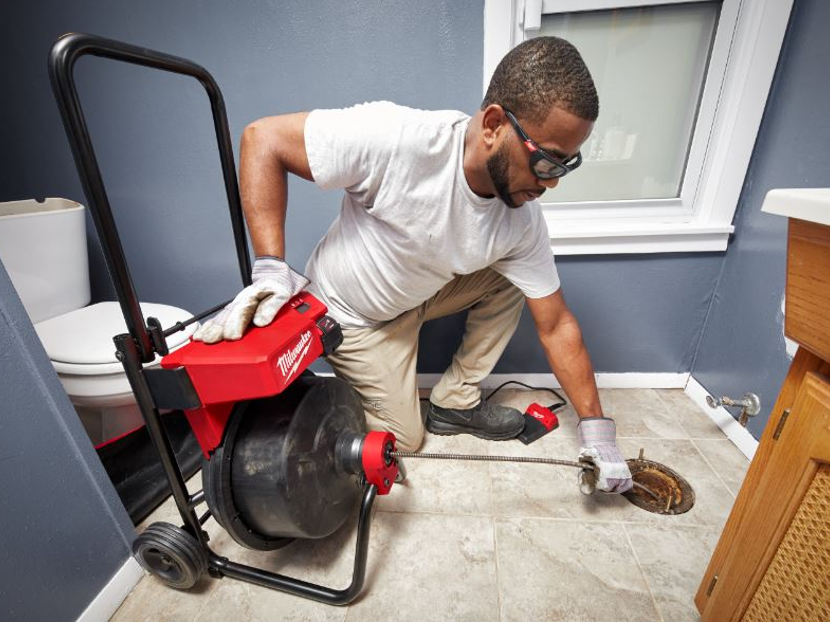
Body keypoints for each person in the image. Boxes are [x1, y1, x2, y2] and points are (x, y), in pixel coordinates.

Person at [194, 37, 632, 493]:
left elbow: (556, 324)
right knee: (403, 441)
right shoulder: (398, 140)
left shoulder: (521, 223)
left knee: (515, 279)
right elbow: (262, 139)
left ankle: (455, 402)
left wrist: (597, 432)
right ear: (494, 125)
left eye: (564, 167)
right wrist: (270, 267)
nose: (551, 183)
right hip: (353, 316)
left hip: (419, 293)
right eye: (546, 162)